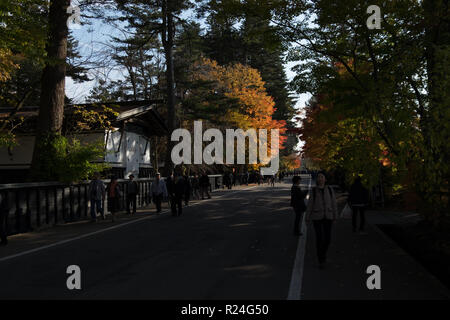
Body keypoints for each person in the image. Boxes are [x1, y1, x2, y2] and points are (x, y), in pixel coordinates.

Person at [305, 172, 338, 269]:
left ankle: (323, 254)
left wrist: (335, 216)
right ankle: (321, 260)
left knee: (328, 239)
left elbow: (334, 203)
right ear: (317, 179)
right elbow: (310, 205)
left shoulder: (330, 190)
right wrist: (307, 218)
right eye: (319, 177)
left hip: (328, 216)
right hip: (317, 217)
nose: (320, 178)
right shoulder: (314, 191)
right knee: (319, 238)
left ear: (325, 179)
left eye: (322, 177)